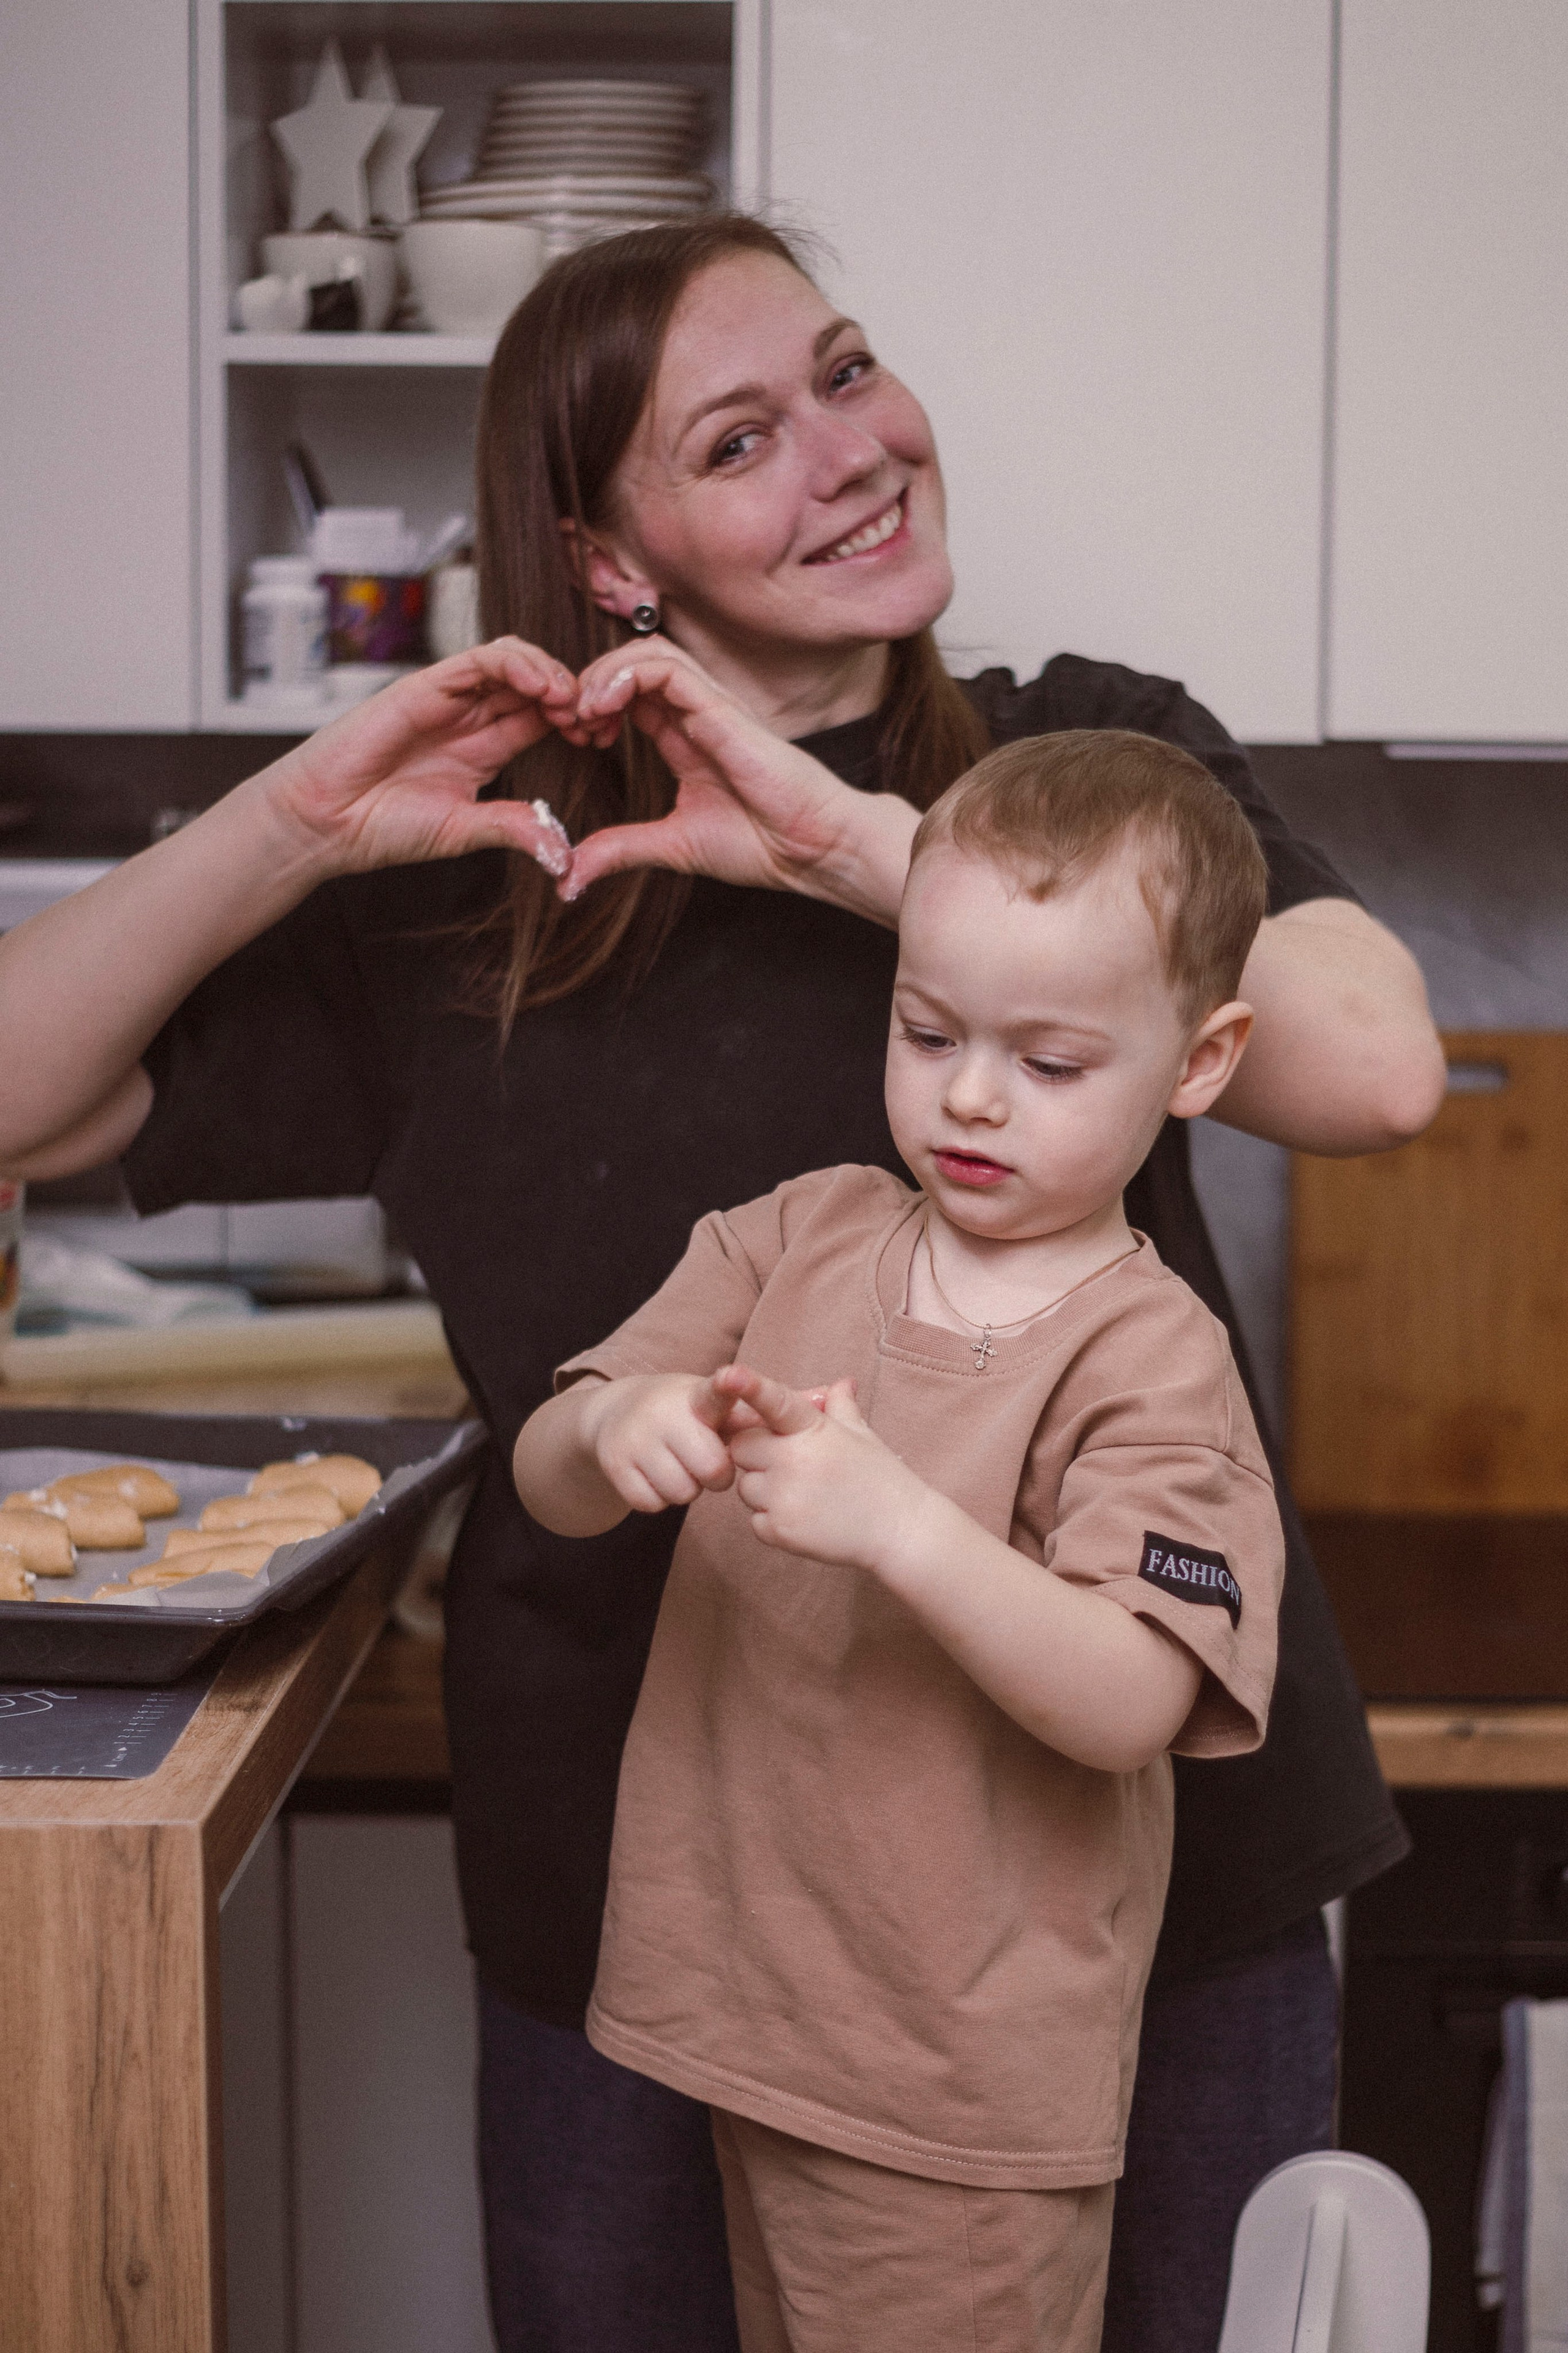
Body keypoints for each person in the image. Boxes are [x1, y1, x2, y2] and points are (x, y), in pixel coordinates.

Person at [0, 215, 1445, 2353]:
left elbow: (1381, 1066)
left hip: (1141, 1894)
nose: (854, 453)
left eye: (853, 374)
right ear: (608, 556)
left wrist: (873, 857)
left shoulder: (1080, 769)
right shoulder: (472, 885)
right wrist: (292, 821)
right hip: (647, 1911)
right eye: (748, 436)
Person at [514, 728, 1287, 2351]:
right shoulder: (800, 1235)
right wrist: (608, 1432)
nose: (972, 1093)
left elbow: (1132, 1692)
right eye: (927, 1028)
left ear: (1201, 1061)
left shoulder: (1151, 1356)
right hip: (749, 2021)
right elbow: (545, 1465)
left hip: (959, 2089)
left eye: (1053, 1060)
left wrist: (897, 1525)